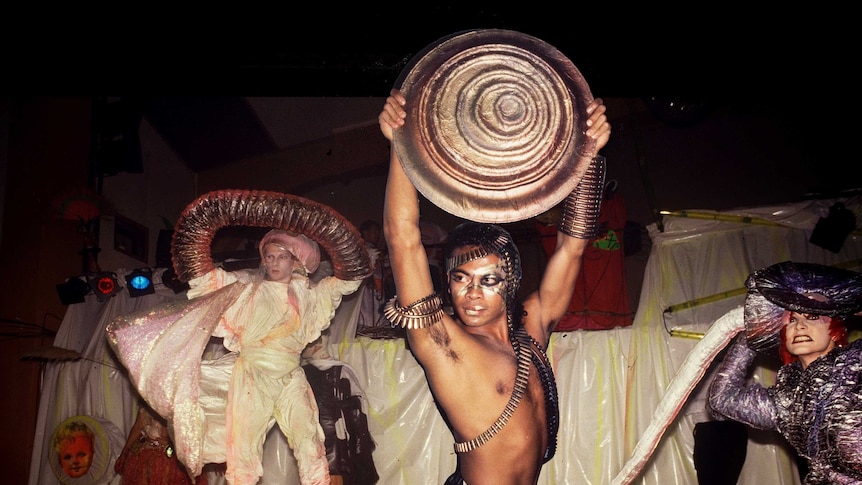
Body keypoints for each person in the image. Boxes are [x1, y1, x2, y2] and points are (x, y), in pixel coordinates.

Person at [378, 88, 610, 484]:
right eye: (460, 278)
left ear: (512, 282)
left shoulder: (533, 329)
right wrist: (402, 145)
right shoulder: (446, 346)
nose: (471, 293)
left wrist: (588, 153)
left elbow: (572, 248)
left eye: (489, 280)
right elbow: (402, 238)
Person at [109, 228, 366, 485]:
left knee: (309, 440)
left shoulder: (309, 296)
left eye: (281, 257)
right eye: (269, 256)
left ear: (295, 262)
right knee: (244, 451)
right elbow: (207, 280)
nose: (273, 262)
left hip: (290, 375)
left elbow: (344, 283)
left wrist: (351, 251)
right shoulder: (247, 291)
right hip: (253, 376)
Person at [708, 261, 862, 484]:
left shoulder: (856, 365)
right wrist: (750, 337)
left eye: (812, 317)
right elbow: (723, 399)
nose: (799, 326)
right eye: (791, 320)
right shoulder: (787, 399)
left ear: (835, 330)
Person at [115, 402, 208, 485]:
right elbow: (138, 426)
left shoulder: (184, 403)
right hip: (147, 456)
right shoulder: (150, 397)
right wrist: (125, 452)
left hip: (174, 459)